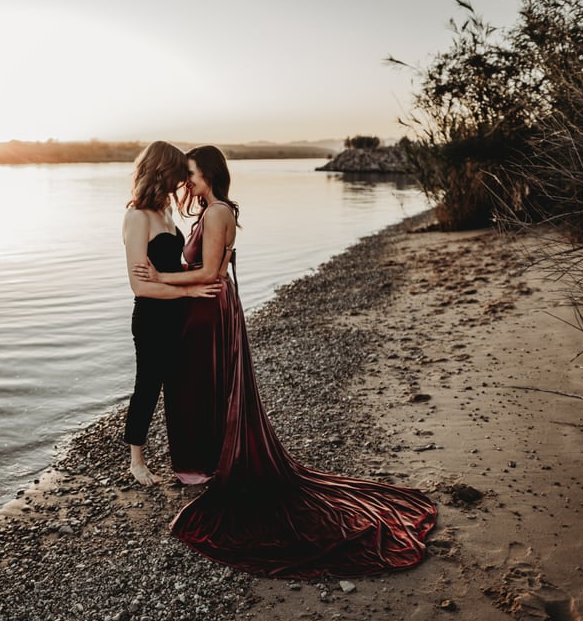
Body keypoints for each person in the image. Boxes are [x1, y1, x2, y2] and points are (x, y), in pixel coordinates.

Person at [133, 145, 436, 579]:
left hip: (209, 306)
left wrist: (161, 278)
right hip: (201, 308)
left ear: (210, 174)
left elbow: (210, 273)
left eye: (193, 173)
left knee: (204, 382)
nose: (187, 180)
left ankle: (207, 465)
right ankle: (203, 462)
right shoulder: (207, 211)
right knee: (199, 383)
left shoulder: (218, 212)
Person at [121, 141, 221, 486]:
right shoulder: (136, 217)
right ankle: (136, 460)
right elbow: (141, 286)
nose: (182, 182)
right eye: (178, 174)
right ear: (161, 170)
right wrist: (191, 289)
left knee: (182, 386)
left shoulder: (165, 211)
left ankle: (191, 456)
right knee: (147, 386)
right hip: (151, 318)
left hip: (179, 313)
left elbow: (167, 265)